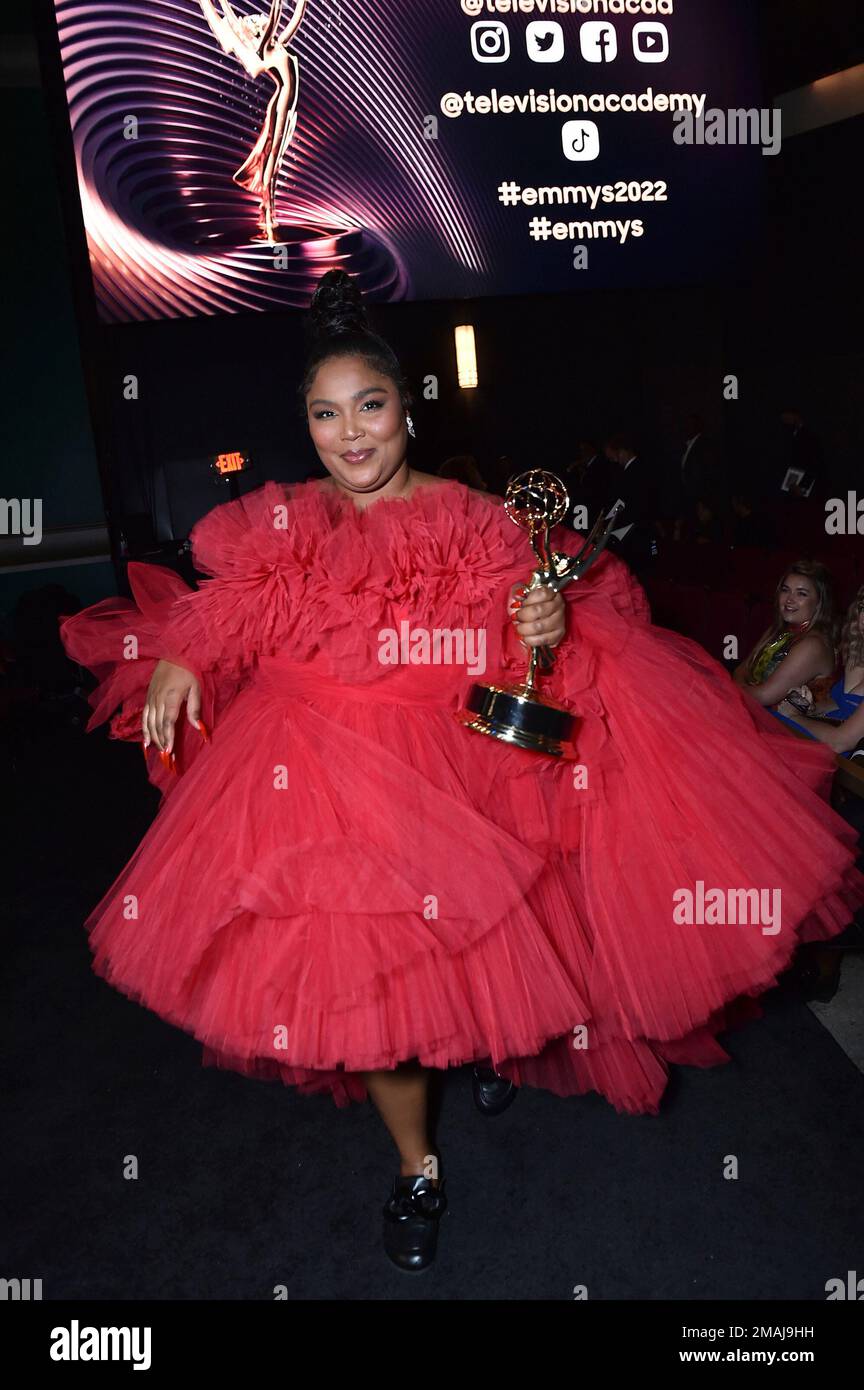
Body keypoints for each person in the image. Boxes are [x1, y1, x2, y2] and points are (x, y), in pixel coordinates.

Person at [60, 271, 864, 1275]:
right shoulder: (284, 518)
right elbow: (233, 607)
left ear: (408, 406)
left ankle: (489, 1036)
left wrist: (545, 621)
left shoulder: (478, 516)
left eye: (371, 406)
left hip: (456, 763)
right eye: (325, 413)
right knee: (378, 991)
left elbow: (537, 624)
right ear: (303, 422)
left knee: (483, 941)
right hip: (315, 772)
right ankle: (417, 1164)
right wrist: (181, 653)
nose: (351, 434)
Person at [774, 587, 864, 754]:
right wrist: (811, 709)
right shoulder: (857, 653)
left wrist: (795, 717)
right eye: (863, 607)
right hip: (825, 738)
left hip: (846, 765)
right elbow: (841, 703)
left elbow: (841, 743)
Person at [734, 561, 837, 707]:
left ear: (819, 602)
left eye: (801, 594)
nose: (789, 599)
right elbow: (741, 670)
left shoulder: (813, 645)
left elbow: (764, 696)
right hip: (751, 709)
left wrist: (733, 689)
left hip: (781, 725)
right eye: (785, 590)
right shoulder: (777, 630)